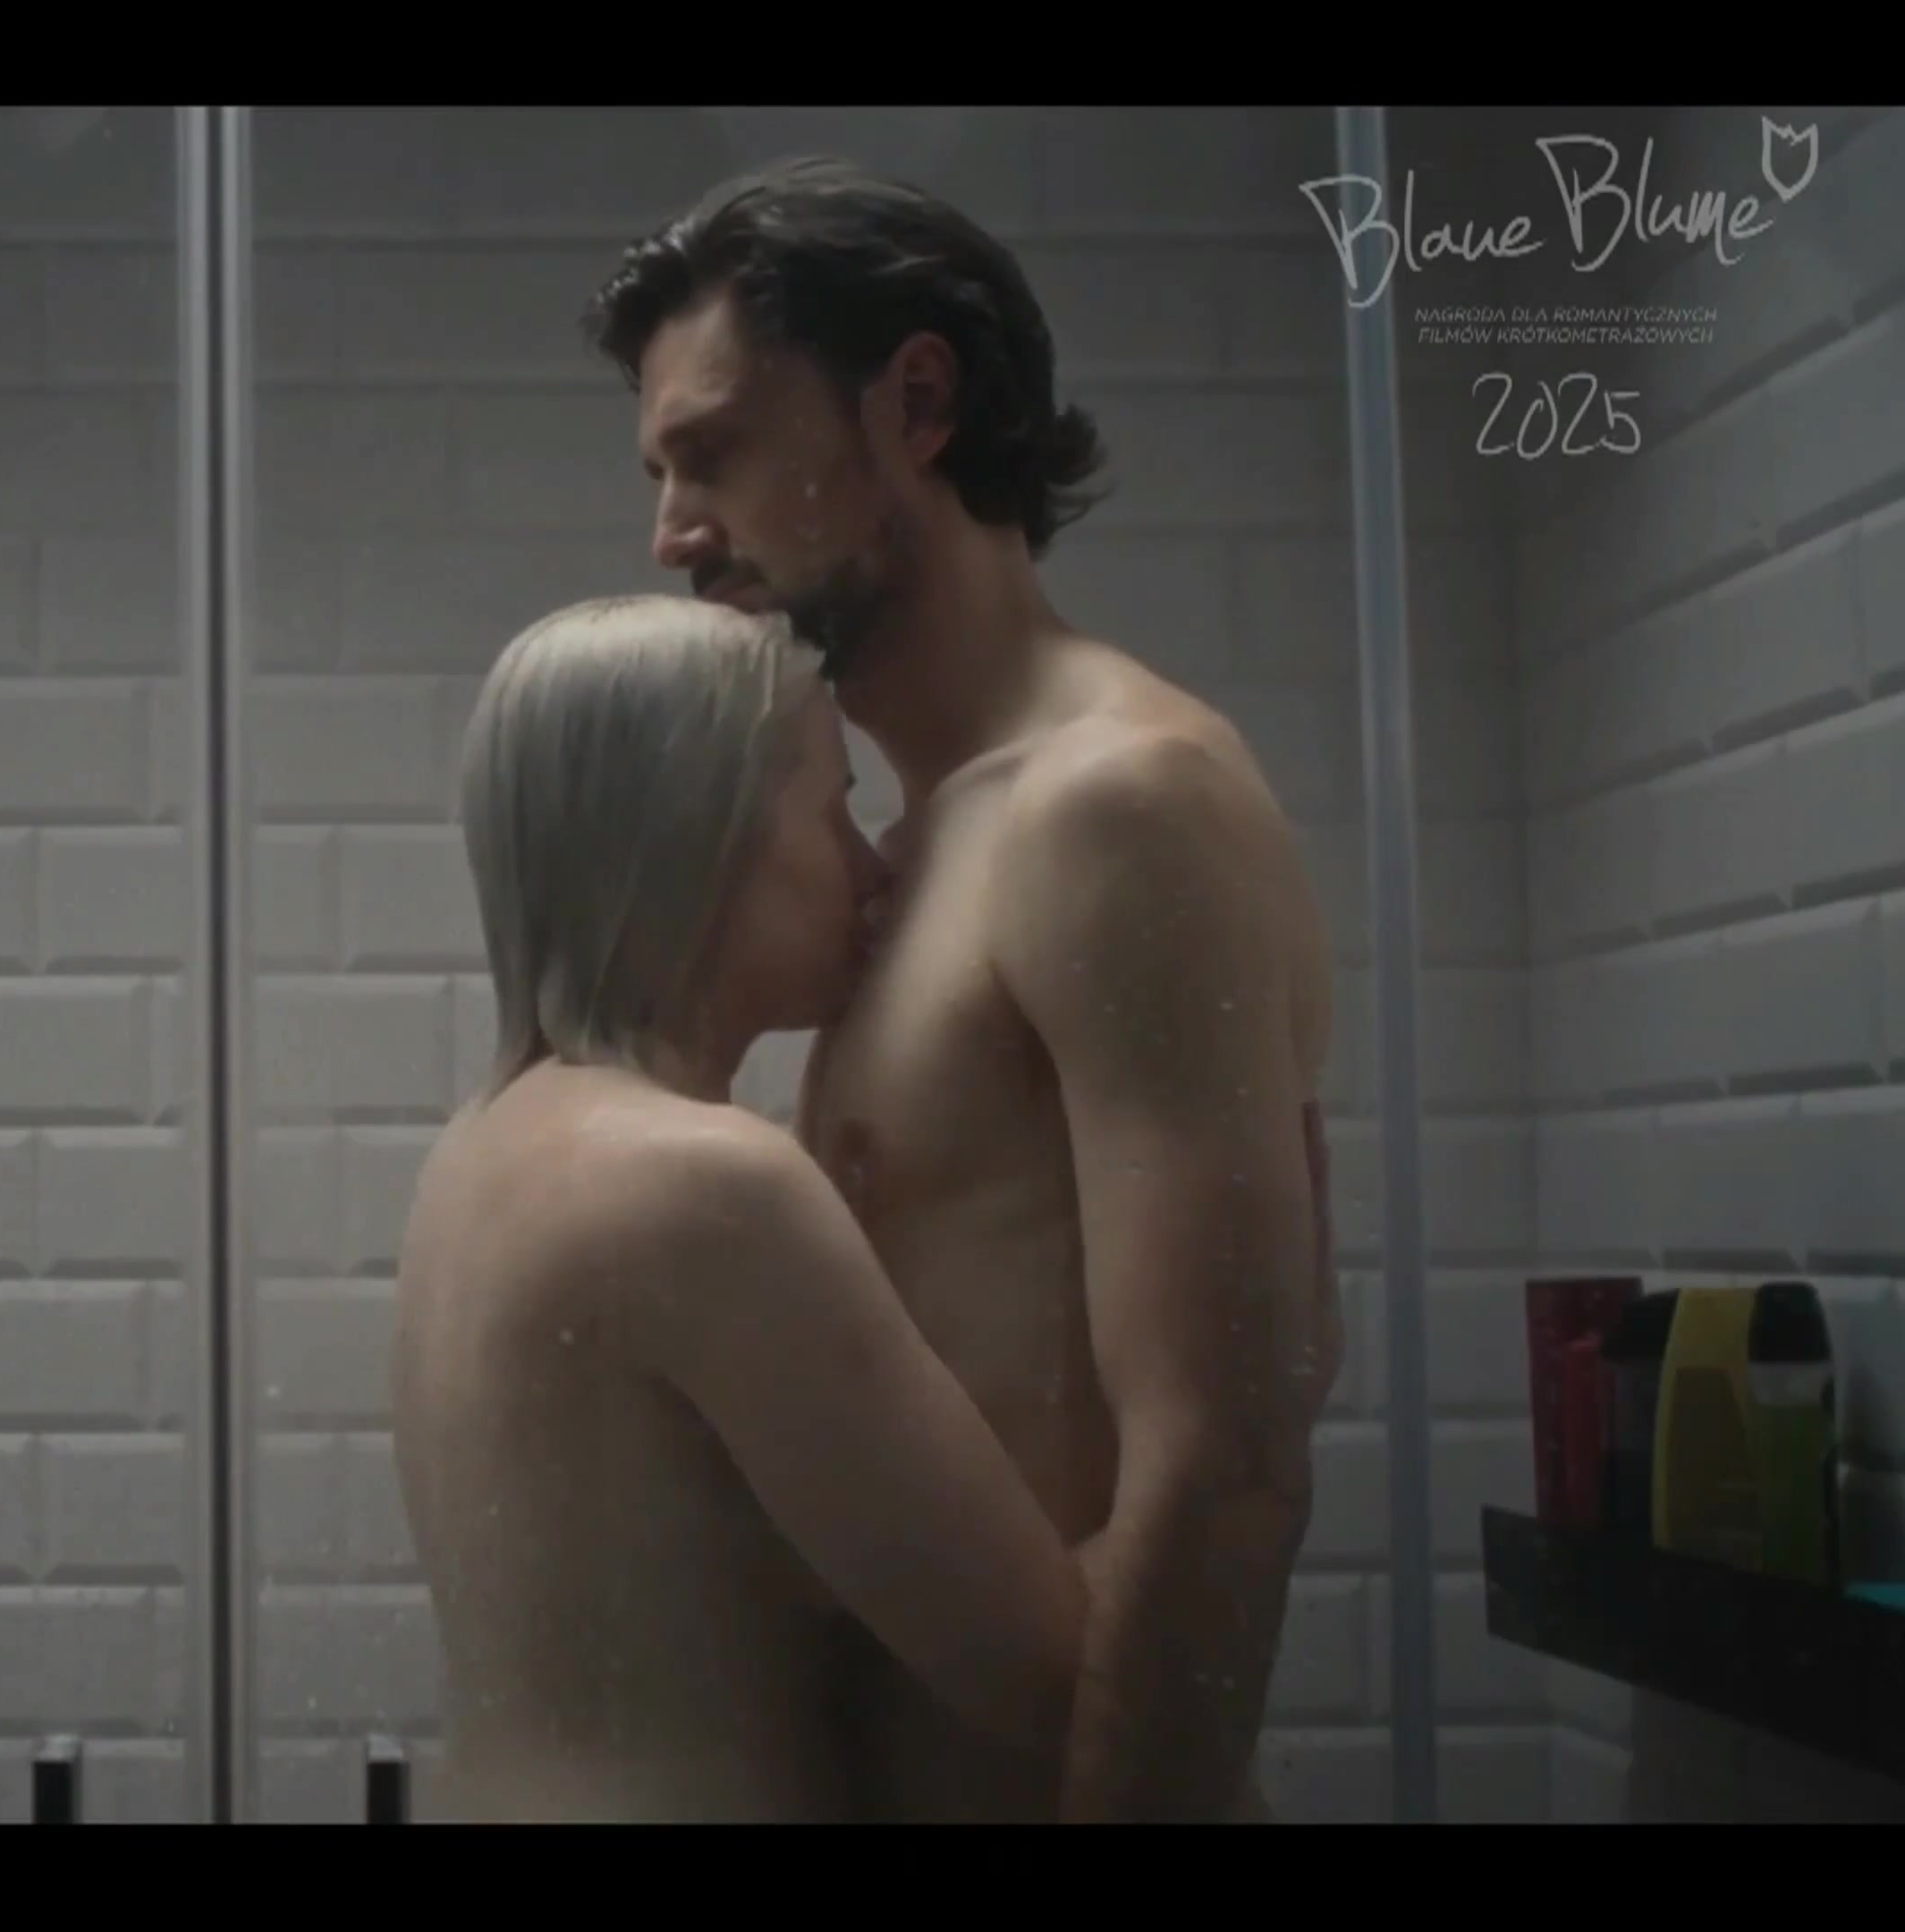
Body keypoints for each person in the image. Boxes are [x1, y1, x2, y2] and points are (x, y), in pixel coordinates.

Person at [577, 155, 1345, 1823]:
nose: (671, 533)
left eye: (713, 451)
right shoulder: (921, 849)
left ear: (915, 403)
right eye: (659, 471)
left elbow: (1226, 1464)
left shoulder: (1116, 805)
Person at [391, 595, 1107, 1823]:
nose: (874, 865)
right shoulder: (702, 1186)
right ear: (705, 833)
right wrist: (1253, 1395)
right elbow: (1047, 1678)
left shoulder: (478, 1154)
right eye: (831, 809)